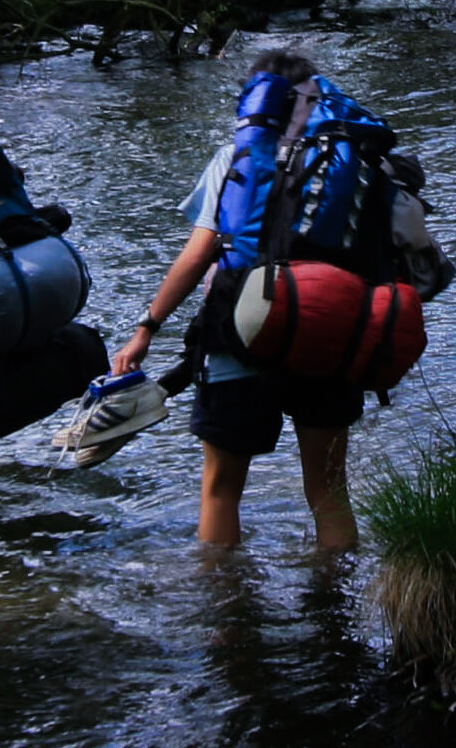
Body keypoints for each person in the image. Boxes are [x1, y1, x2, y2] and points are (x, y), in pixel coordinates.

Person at [111, 50, 361, 550]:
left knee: (221, 490)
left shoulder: (236, 157)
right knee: (329, 490)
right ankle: (335, 614)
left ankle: (226, 618)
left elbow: (199, 254)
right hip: (331, 335)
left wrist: (146, 329)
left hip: (239, 330)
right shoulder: (352, 163)